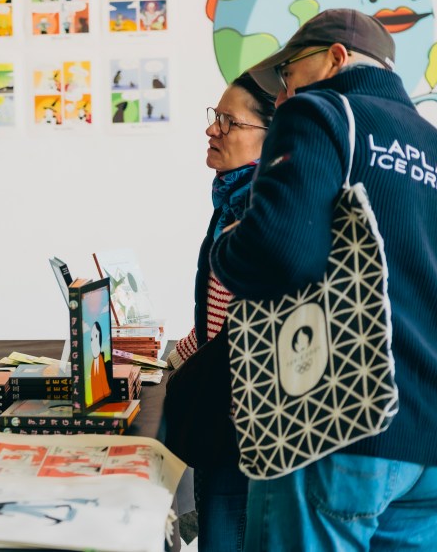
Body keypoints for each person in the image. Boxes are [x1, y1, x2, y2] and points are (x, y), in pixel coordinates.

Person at [211, 8, 437, 551]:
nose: (281, 96)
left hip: (333, 435)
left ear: (335, 59)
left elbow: (278, 251)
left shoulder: (321, 113)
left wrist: (226, 247)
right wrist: (432, 385)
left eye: (288, 74)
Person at [164, 73, 275, 552]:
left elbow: (254, 321)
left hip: (241, 417)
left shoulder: (261, 207)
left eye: (229, 122)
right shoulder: (232, 198)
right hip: (227, 404)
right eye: (216, 117)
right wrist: (178, 352)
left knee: (225, 533)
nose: (213, 130)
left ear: (268, 138)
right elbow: (221, 311)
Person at [86, 321, 111, 407]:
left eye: (96, 337)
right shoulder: (92, 364)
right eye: (91, 339)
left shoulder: (103, 362)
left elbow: (105, 386)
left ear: (100, 339)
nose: (93, 343)